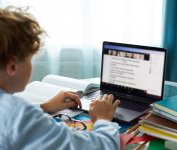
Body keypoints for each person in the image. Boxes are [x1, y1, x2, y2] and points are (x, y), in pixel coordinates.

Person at [0, 6, 120, 150]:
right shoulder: (21, 116)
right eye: (30, 59)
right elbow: (103, 146)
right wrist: (103, 119)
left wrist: (44, 107)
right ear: (12, 67)